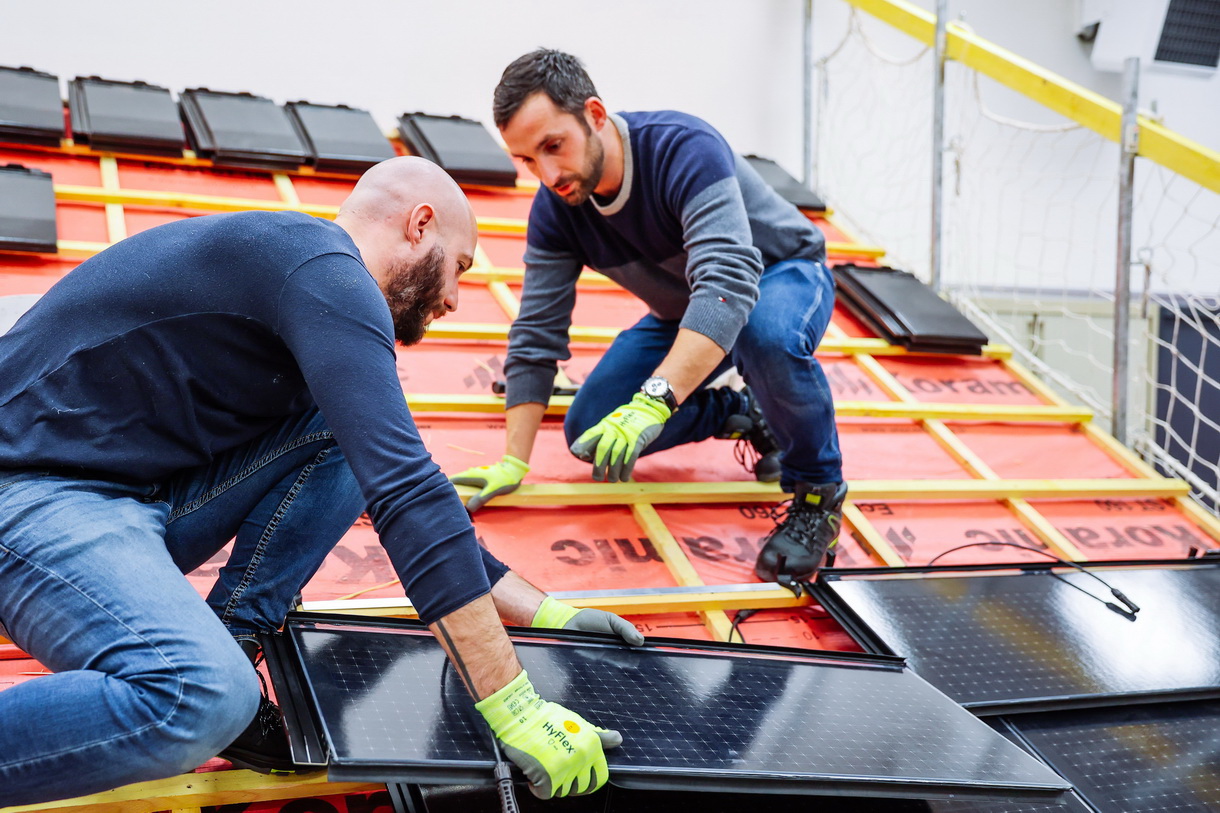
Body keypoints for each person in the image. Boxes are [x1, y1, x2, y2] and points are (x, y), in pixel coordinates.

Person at [0, 156, 641, 807]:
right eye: (461, 267)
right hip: (26, 491)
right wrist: (516, 705)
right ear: (420, 225)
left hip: (124, 494)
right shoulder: (320, 269)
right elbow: (405, 493)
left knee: (340, 433)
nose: (453, 298)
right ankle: (212, 684)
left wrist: (549, 614)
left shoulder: (309, 290)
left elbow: (398, 476)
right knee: (199, 693)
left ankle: (232, 642)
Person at [451, 50, 847, 585]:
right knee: (589, 433)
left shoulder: (683, 148)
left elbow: (728, 285)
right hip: (689, 310)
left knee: (765, 337)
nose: (547, 175)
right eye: (527, 160)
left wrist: (655, 399)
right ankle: (740, 411)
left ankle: (817, 494)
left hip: (779, 277)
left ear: (594, 115)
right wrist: (513, 461)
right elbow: (537, 332)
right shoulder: (557, 212)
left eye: (553, 147)